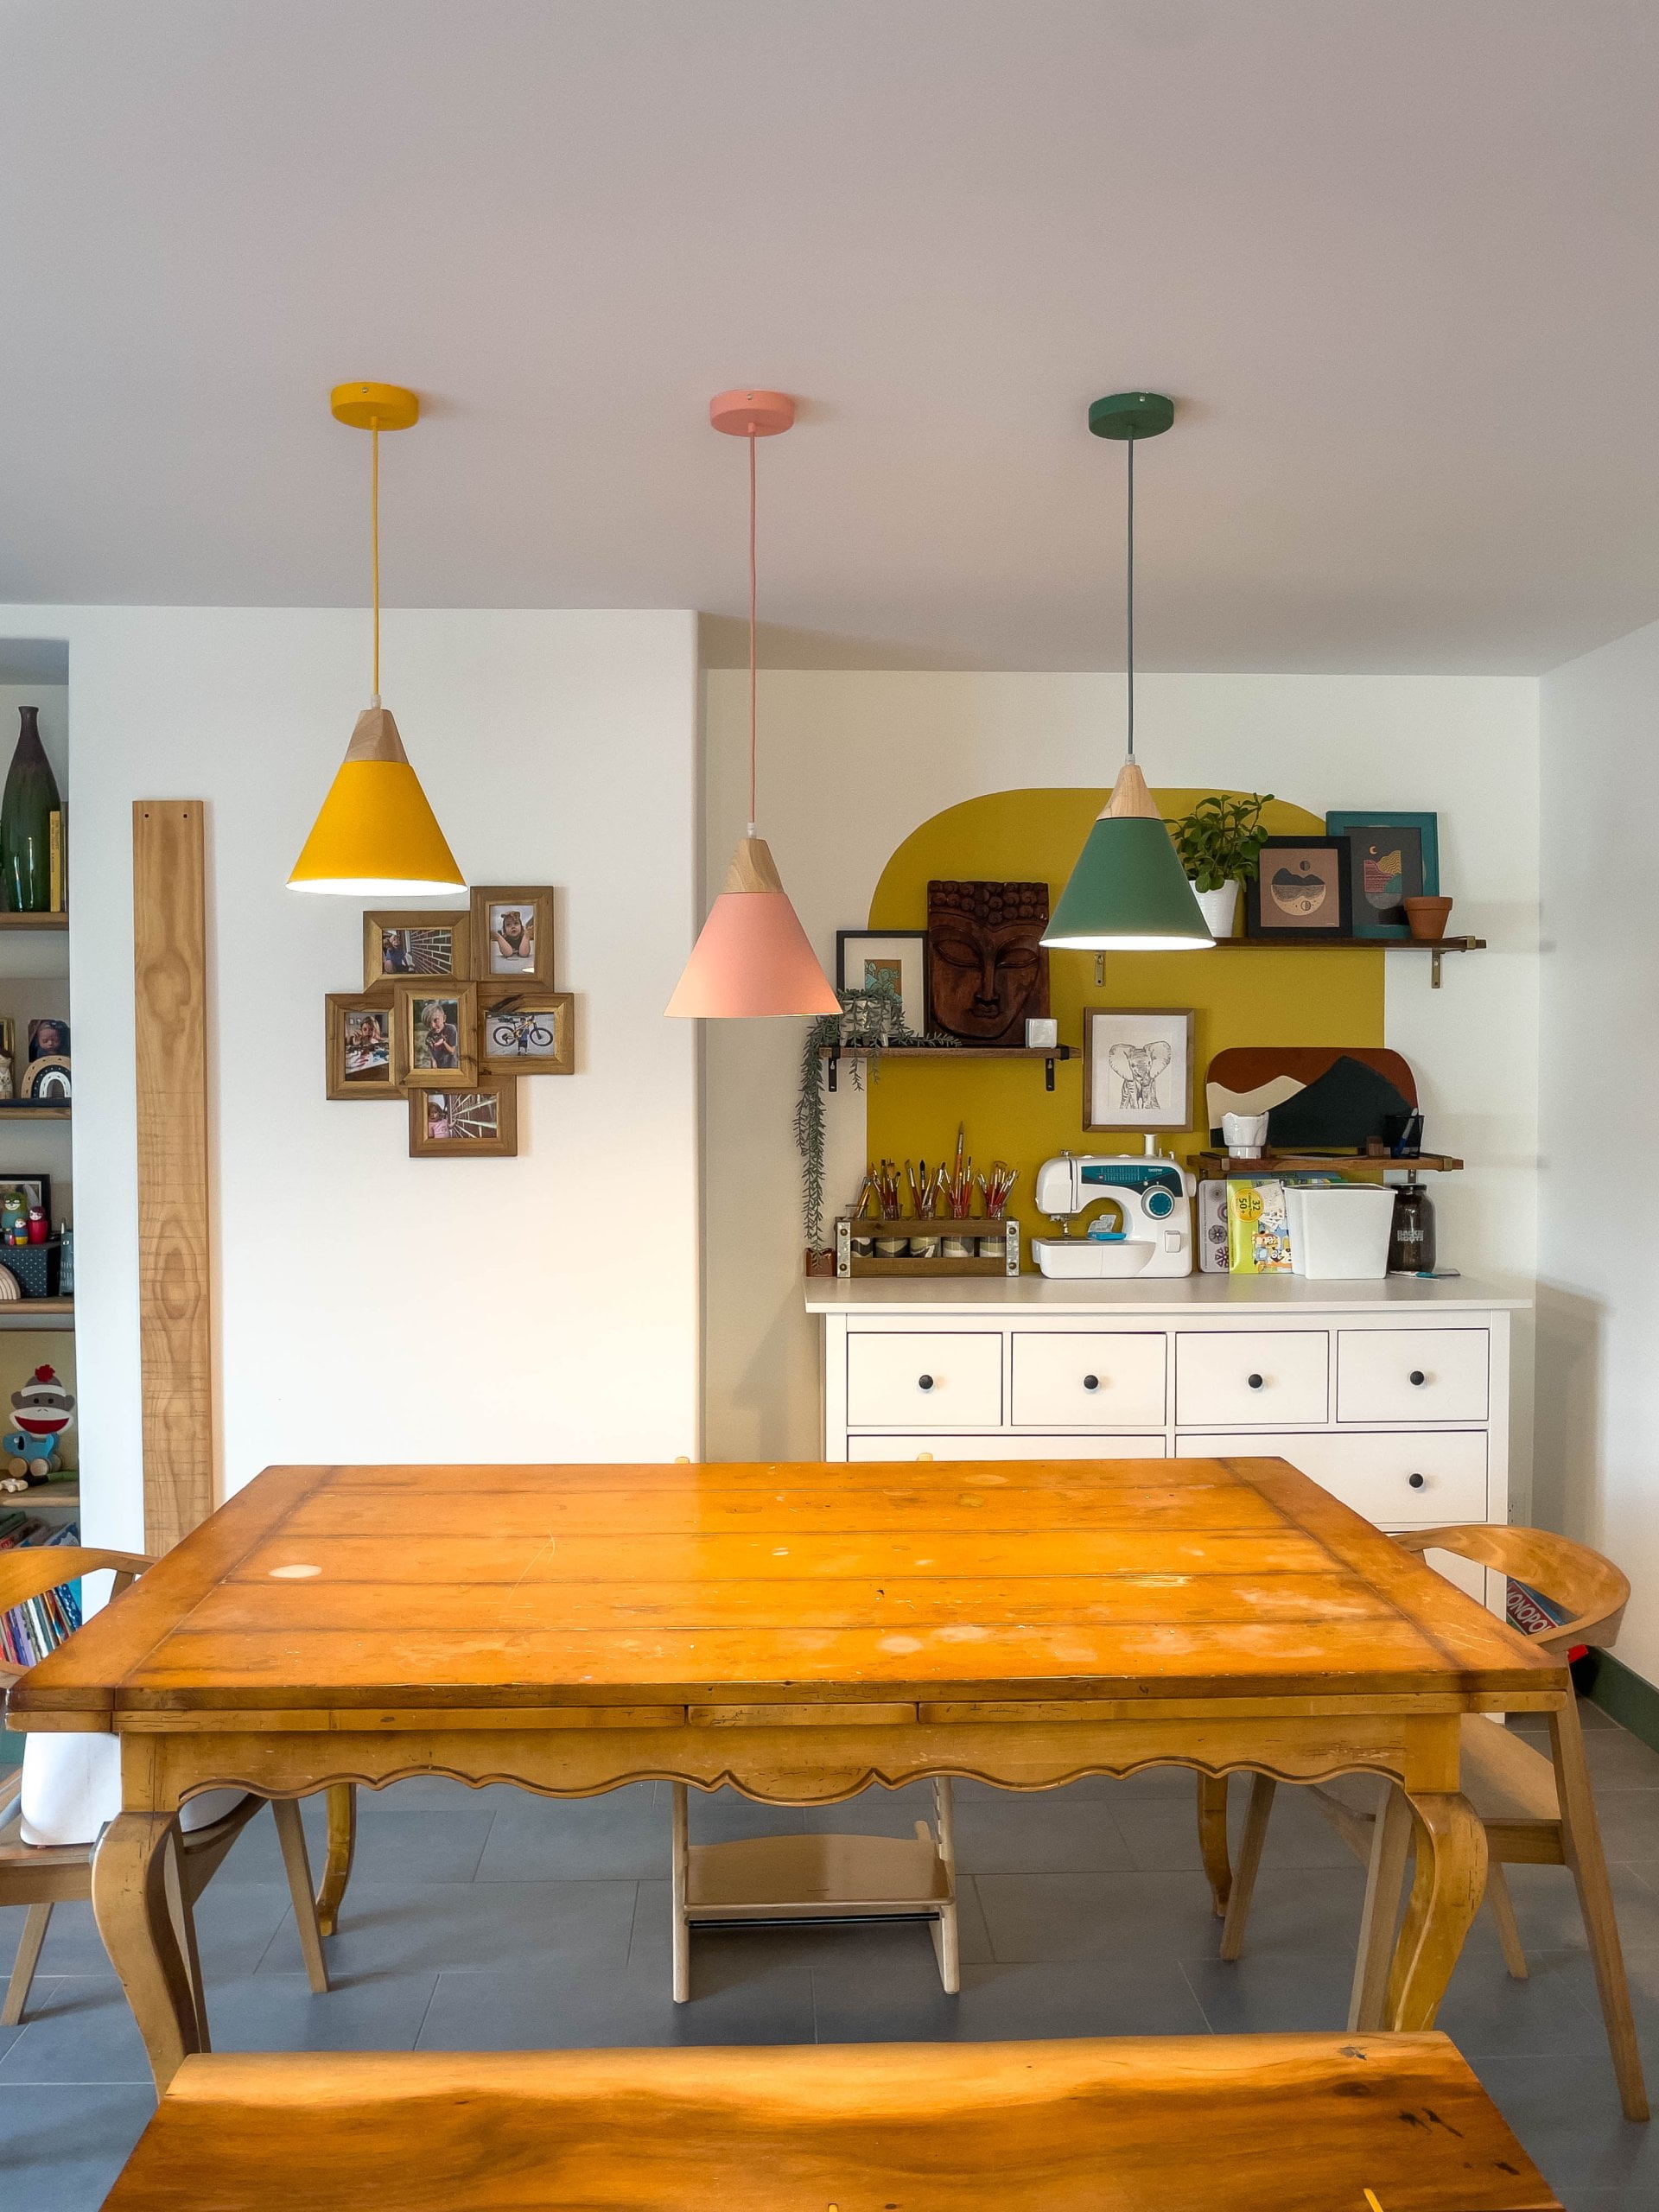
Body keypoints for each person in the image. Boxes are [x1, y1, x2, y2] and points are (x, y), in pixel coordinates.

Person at [421, 1001, 459, 1070]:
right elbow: (430, 1049)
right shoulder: (429, 1035)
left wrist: (443, 1042)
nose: (432, 1026)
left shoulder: (451, 1029)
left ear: (444, 1018)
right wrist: (433, 1060)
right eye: (429, 1023)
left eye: (436, 1020)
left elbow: (452, 1051)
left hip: (451, 1067)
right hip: (437, 1067)